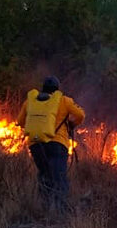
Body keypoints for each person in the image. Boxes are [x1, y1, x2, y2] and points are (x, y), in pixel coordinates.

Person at [17, 76, 85, 212]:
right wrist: (72, 124)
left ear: (43, 88)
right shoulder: (64, 100)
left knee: (44, 174)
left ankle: (45, 208)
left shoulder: (30, 102)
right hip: (57, 144)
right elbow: (80, 115)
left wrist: (38, 127)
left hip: (36, 144)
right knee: (59, 177)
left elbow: (20, 122)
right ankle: (59, 212)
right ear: (57, 88)